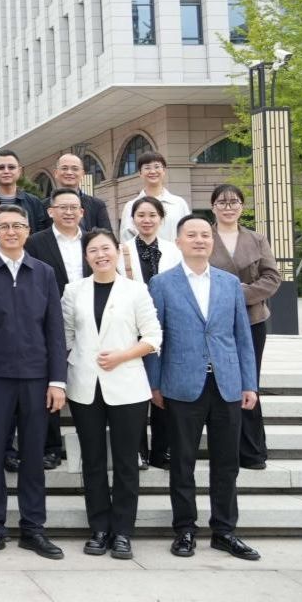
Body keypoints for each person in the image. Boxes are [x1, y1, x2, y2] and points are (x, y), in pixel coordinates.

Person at [146, 215, 261, 561]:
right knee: (182, 462)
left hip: (226, 384)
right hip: (181, 385)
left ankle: (225, 531)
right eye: (192, 235)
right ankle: (185, 529)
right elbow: (155, 338)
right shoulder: (162, 284)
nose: (199, 240)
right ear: (178, 241)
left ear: (212, 242)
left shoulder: (230, 283)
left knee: (227, 463)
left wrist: (249, 383)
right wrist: (155, 384)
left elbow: (242, 336)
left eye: (205, 235)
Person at [0, 204, 67, 561]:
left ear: (28, 230)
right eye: (4, 226)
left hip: (37, 378)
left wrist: (58, 381)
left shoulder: (44, 272)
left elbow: (55, 329)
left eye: (17, 226)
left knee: (34, 456)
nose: (11, 232)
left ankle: (33, 528)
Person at [62, 229, 161, 560]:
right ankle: (99, 528)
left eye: (105, 248)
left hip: (127, 386)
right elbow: (65, 335)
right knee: (92, 460)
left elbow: (153, 337)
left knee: (125, 462)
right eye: (93, 250)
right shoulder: (73, 291)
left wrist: (122, 355)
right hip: (85, 386)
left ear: (117, 252)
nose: (100, 255)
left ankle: (122, 531)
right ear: (86, 256)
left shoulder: (136, 290)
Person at [208, 184, 280, 471]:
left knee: (249, 382)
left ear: (242, 206)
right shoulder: (204, 236)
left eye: (234, 202)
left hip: (252, 319)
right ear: (213, 207)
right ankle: (226, 449)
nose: (228, 207)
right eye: (222, 202)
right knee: (222, 384)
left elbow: (271, 278)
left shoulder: (257, 239)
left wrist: (240, 293)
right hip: (215, 322)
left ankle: (252, 451)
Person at [24, 187, 91, 470]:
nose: (68, 212)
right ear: (50, 211)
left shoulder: (93, 240)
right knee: (50, 383)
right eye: (62, 207)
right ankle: (50, 447)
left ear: (82, 212)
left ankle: (91, 445)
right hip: (47, 320)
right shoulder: (35, 242)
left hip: (90, 320)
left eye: (73, 207)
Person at [120, 196, 183, 470]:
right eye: (141, 215)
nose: (146, 220)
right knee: (134, 390)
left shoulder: (174, 250)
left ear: (161, 219)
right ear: (132, 219)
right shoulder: (121, 251)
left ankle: (162, 450)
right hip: (132, 329)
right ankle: (137, 451)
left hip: (167, 326)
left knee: (162, 388)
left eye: (152, 215)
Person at [119, 151, 190, 242]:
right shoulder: (130, 206)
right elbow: (126, 240)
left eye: (157, 167)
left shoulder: (179, 203)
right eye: (147, 168)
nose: (152, 171)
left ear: (164, 171)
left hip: (175, 251)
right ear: (140, 173)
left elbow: (188, 233)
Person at [48, 154, 112, 233]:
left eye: (75, 169)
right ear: (56, 173)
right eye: (64, 168)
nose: (69, 172)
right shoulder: (43, 205)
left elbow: (107, 236)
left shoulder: (97, 205)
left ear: (82, 174)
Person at [0, 149, 49, 233]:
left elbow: (41, 234)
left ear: (19, 171)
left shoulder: (34, 202)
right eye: (1, 167)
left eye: (11, 167)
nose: (6, 171)